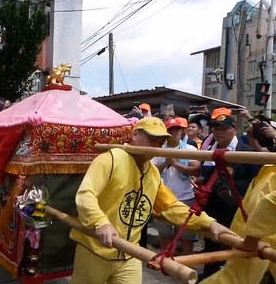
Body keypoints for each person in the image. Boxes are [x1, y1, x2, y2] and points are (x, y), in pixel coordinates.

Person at [70, 117, 231, 284]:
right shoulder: (110, 159)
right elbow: (85, 194)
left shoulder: (152, 172)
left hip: (129, 252)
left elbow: (171, 206)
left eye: (160, 142)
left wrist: (208, 222)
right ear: (134, 135)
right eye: (152, 139)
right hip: (95, 249)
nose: (156, 146)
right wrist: (100, 222)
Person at [198, 108, 260, 280]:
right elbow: (203, 174)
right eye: (215, 127)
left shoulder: (246, 152)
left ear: (235, 128)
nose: (218, 131)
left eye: (223, 127)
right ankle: (208, 277)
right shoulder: (208, 151)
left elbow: (257, 182)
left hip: (237, 213)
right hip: (212, 212)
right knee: (211, 248)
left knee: (233, 250)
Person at [153, 117, 200, 255]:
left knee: (187, 235)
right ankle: (165, 262)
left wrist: (176, 164)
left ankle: (186, 265)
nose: (174, 132)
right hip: (163, 199)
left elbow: (196, 169)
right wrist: (165, 163)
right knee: (165, 234)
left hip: (185, 197)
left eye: (177, 129)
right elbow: (153, 172)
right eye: (171, 130)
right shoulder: (159, 149)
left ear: (182, 131)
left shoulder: (189, 149)